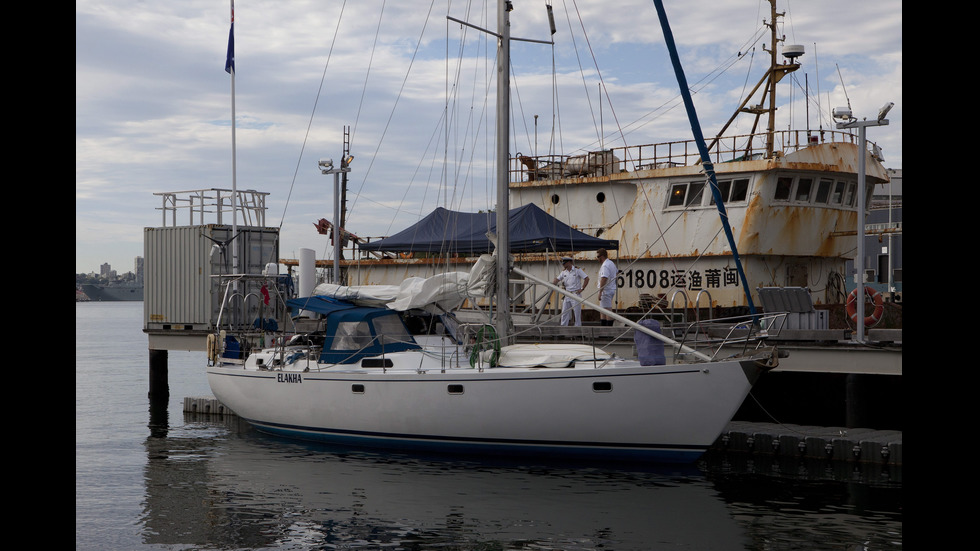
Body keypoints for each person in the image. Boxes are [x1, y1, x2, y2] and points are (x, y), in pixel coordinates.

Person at [552, 256, 589, 326]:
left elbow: (586, 278)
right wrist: (555, 280)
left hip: (575, 294)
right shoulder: (564, 272)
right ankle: (563, 328)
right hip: (567, 295)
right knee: (564, 313)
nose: (563, 264)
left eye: (564, 263)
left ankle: (577, 329)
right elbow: (557, 279)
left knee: (577, 314)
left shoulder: (577, 270)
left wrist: (582, 288)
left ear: (569, 262)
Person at [596, 248, 618, 326]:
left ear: (602, 256)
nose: (597, 259)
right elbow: (616, 273)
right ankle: (604, 329)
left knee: (607, 310)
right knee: (603, 309)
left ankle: (608, 331)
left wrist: (600, 292)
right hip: (610, 289)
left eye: (598, 257)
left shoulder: (605, 265)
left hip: (606, 290)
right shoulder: (611, 263)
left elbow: (604, 278)